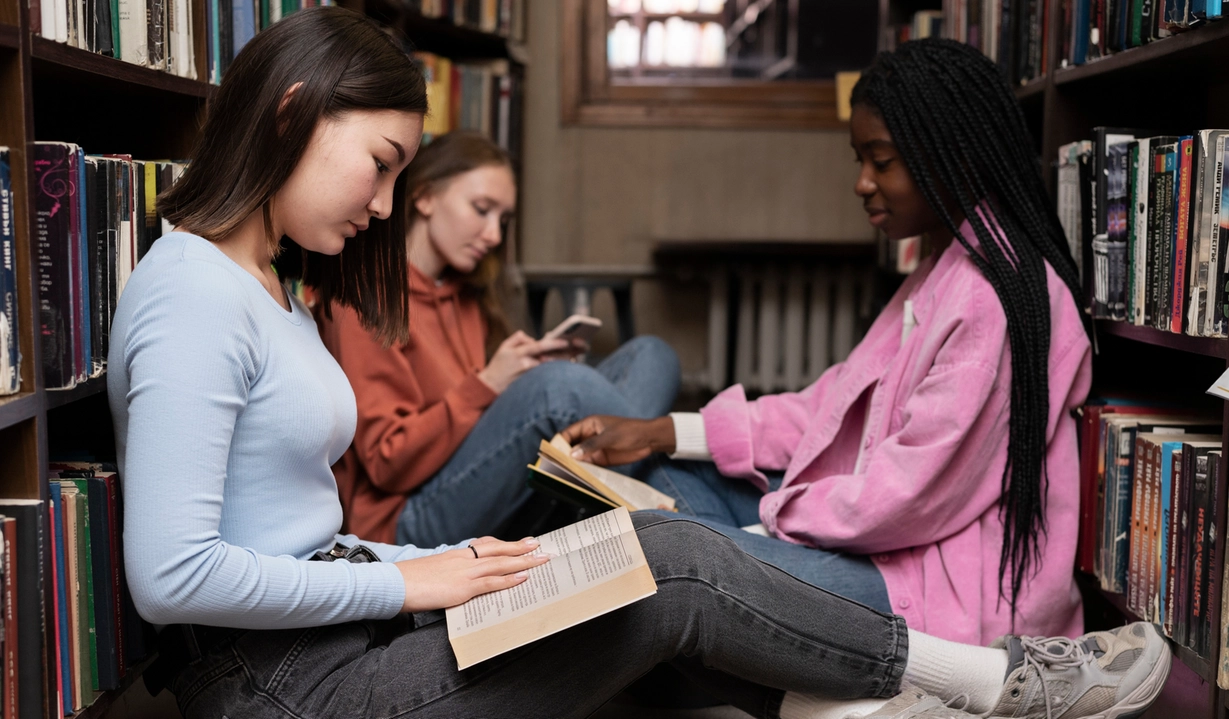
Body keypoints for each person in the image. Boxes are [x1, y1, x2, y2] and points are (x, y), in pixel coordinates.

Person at [107, 14, 1169, 719]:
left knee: (650, 549)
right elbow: (171, 576)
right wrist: (408, 574)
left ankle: (959, 679)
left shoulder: (263, 284)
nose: (384, 204)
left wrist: (419, 572)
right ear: (292, 116)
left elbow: (280, 522)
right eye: (382, 166)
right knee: (673, 560)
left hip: (342, 621)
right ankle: (997, 685)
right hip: (285, 682)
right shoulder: (192, 289)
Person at [564, 38, 1092, 649]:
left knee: (670, 555)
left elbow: (907, 497)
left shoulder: (993, 296)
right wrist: (664, 430)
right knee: (660, 482)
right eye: (858, 160)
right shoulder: (949, 266)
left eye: (881, 160)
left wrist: (766, 521)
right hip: (878, 549)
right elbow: (829, 406)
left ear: (955, 155)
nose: (862, 183)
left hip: (934, 594)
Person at [315, 130, 681, 547]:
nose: (493, 236)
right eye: (481, 209)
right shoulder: (366, 299)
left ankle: (623, 497)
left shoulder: (469, 294)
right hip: (405, 519)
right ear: (425, 197)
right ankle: (680, 512)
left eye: (502, 220)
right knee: (559, 389)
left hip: (490, 484)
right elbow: (387, 463)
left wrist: (521, 374)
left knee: (653, 356)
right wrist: (491, 383)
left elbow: (492, 425)